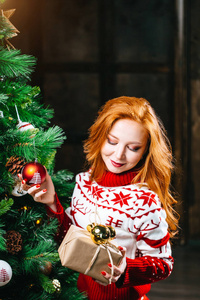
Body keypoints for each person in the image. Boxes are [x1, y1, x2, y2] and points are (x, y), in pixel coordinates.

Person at [19, 96, 179, 300]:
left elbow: (164, 264)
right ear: (100, 136)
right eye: (112, 141)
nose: (119, 155)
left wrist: (125, 267)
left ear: (146, 151)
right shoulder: (85, 182)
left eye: (133, 148)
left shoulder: (144, 202)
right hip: (80, 294)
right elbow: (69, 238)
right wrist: (52, 201)